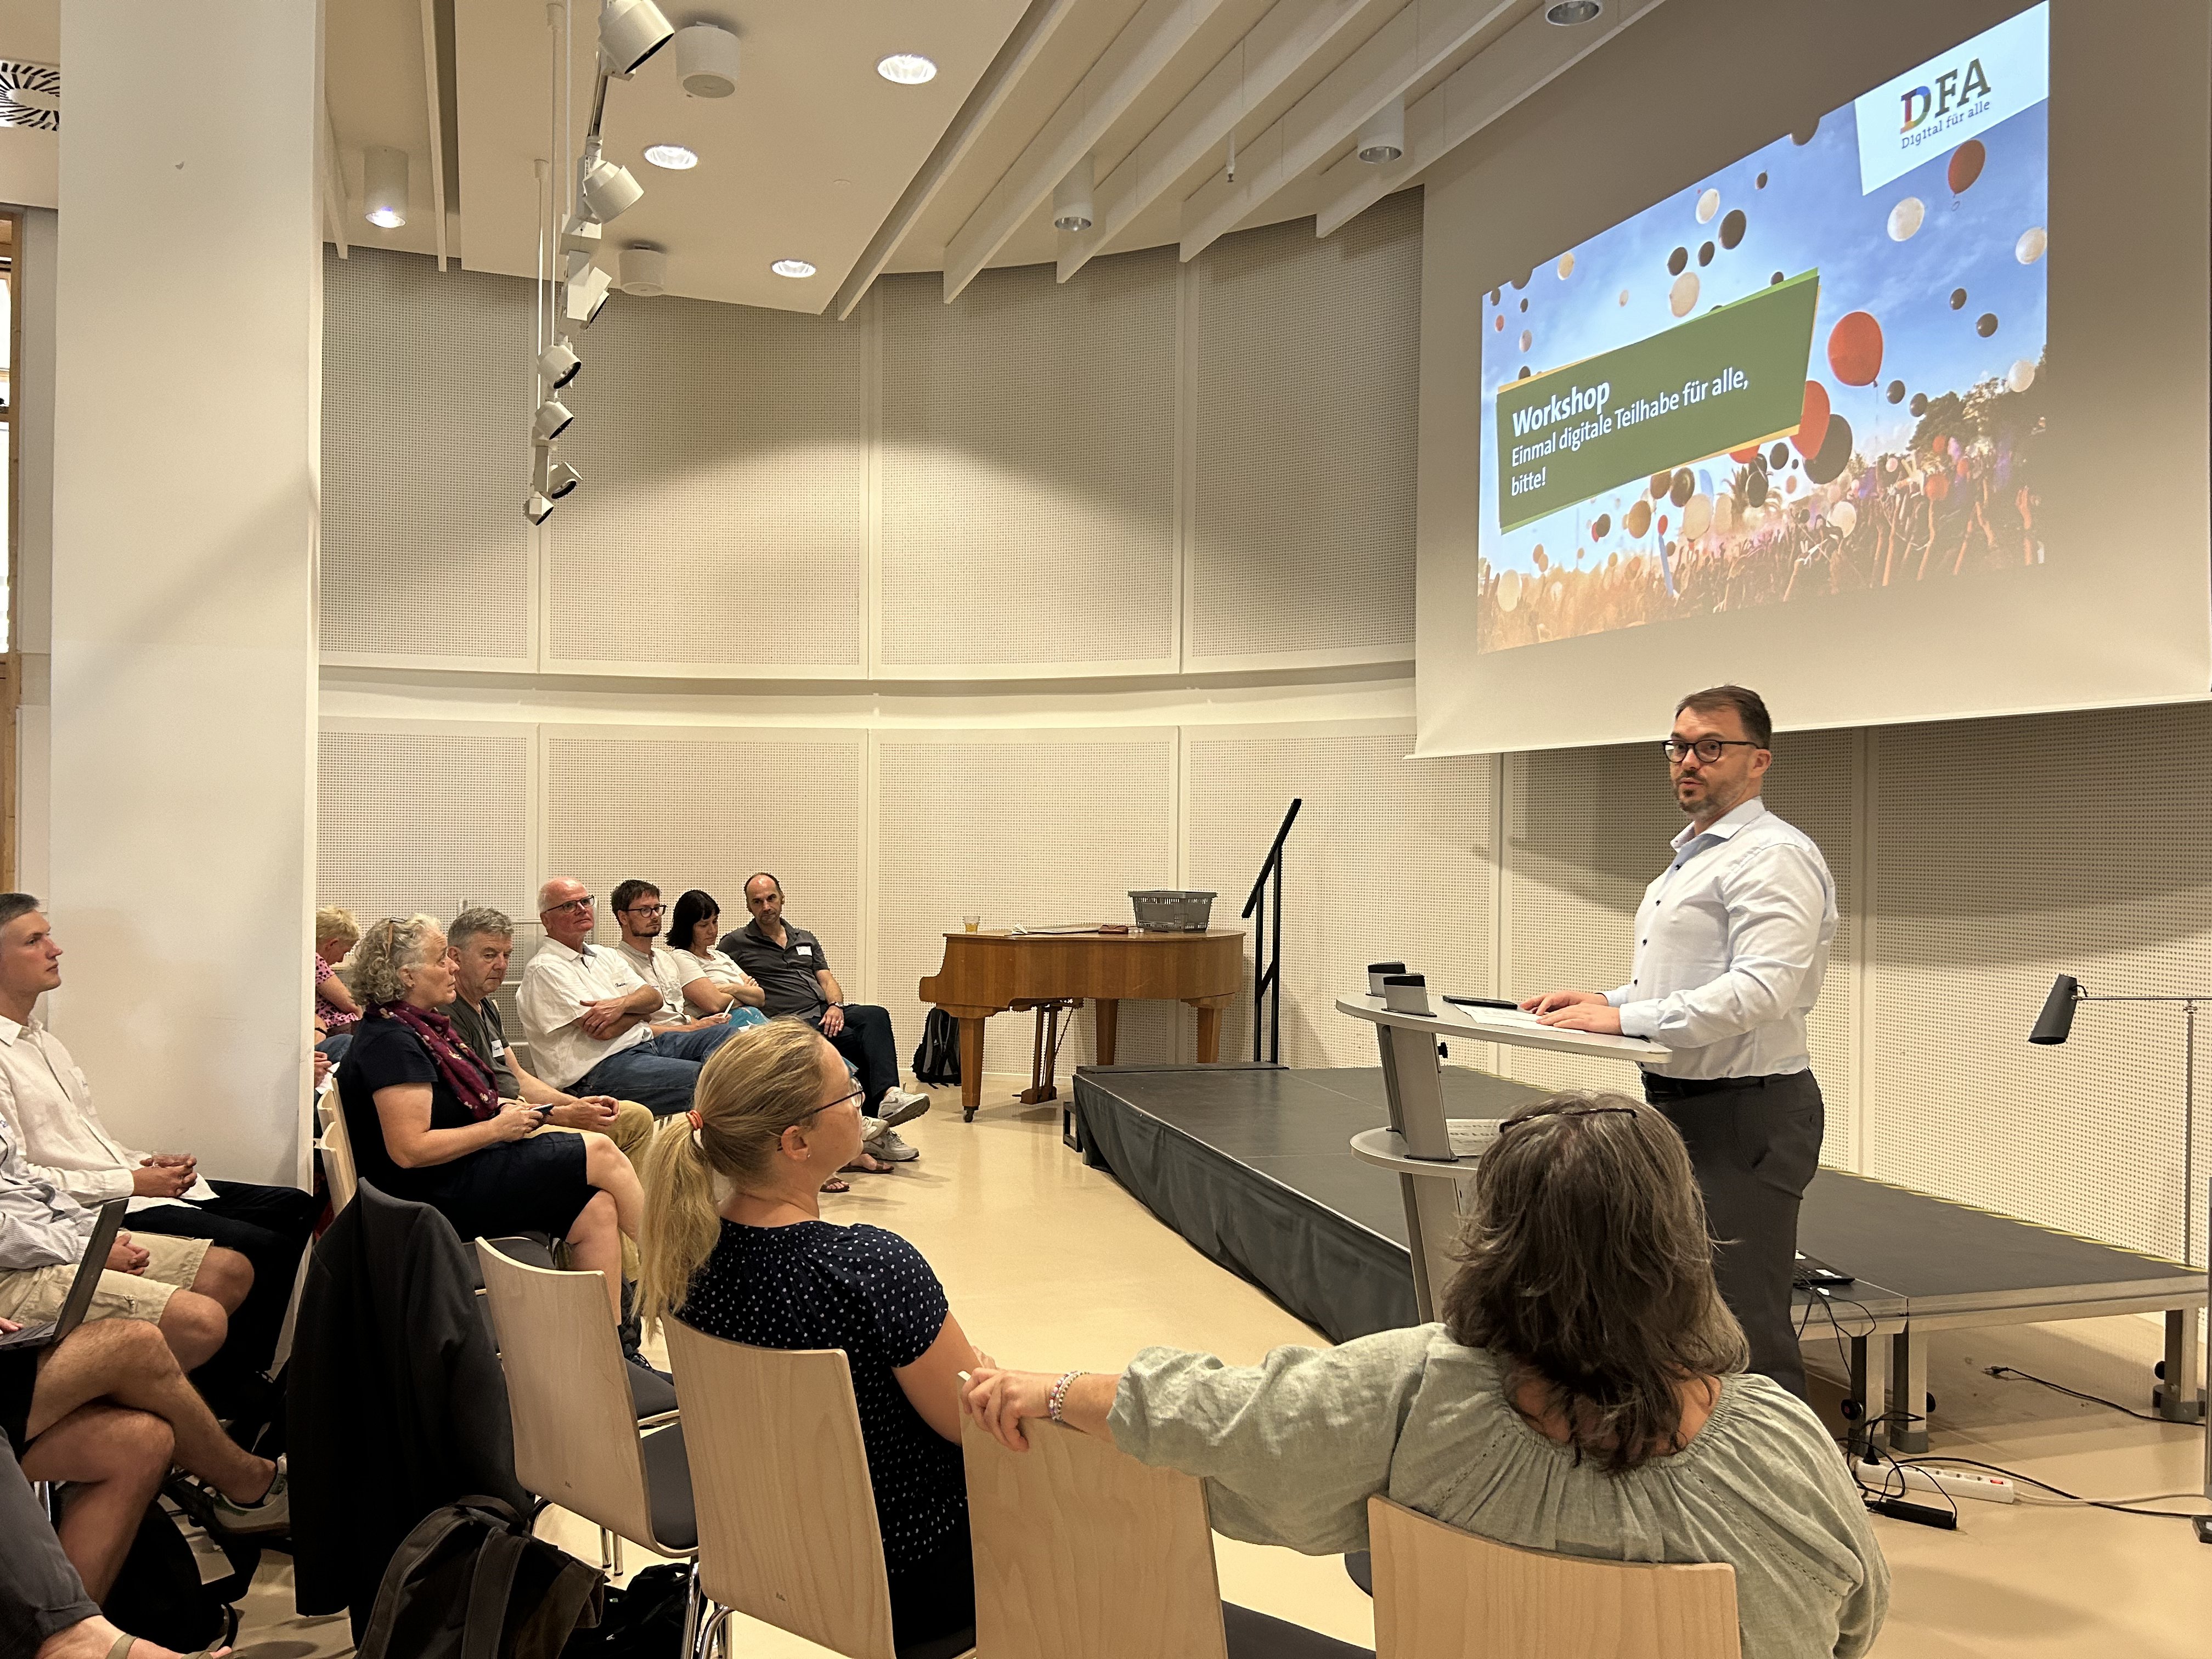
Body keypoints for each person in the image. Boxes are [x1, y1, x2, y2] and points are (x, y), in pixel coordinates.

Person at [964, 1093, 1888, 1659]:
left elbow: (1220, 1418)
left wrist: (1047, 1390)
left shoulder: (1414, 1392)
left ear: (1496, 1240)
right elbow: (1852, 1624)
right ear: (1679, 1243)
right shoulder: (1784, 1440)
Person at [1520, 685, 1836, 1398]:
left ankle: (1777, 1490)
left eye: (1710, 747)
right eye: (1679, 746)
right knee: (1685, 1309)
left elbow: (1762, 992)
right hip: (1683, 1106)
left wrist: (1626, 1021)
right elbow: (1688, 984)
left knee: (1743, 1322)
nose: (1688, 761)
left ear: (1759, 761)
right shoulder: (1696, 856)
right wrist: (1609, 1000)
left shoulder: (1772, 856)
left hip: (1746, 1115)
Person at [639, 1019, 985, 1652]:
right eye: (848, 1093)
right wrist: (982, 1369)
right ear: (797, 1142)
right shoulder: (870, 1268)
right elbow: (974, 1423)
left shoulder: (684, 1257)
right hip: (908, 1574)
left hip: (759, 1550)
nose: (860, 1101)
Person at [0, 895, 318, 1421]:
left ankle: (233, 1379)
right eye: (34, 941)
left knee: (292, 1207)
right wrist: (129, 1183)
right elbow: (28, 1179)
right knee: (255, 1247)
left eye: (48, 934)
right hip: (90, 1203)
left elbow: (87, 1138)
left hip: (108, 1185)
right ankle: (225, 1394)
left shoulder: (43, 1042)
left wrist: (144, 1163)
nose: (55, 949)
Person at [337, 915, 642, 1322]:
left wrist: (515, 1111)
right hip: (426, 1196)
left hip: (451, 1175)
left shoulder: (415, 1027)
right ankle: (678, 1274)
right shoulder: (393, 1042)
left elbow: (481, 1093)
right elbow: (409, 1150)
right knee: (601, 1151)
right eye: (442, 959)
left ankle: (609, 1345)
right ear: (408, 976)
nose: (452, 966)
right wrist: (497, 1128)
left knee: (597, 1207)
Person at [0, 1114, 249, 1381]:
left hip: (56, 1229)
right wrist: (88, 1252)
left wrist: (95, 1234)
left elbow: (25, 1181)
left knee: (229, 1270)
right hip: (14, 1262)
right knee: (200, 1322)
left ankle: (158, 1395)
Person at [445, 906, 658, 1171]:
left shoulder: (487, 1005)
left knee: (636, 1117)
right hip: (502, 1127)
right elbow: (484, 1101)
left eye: (506, 955)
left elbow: (518, 1077)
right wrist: (564, 1115)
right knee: (603, 1148)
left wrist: (578, 1105)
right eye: (489, 955)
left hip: (525, 1110)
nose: (501, 965)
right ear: (455, 957)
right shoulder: (446, 1014)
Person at [723, 873, 930, 1138]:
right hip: (790, 1022)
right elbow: (719, 974)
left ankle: (890, 1096)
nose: (766, 907)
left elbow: (827, 979)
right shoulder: (736, 943)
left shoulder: (804, 938)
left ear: (782, 898)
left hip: (823, 1011)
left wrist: (836, 1006)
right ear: (749, 907)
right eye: (758, 901)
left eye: (771, 898)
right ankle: (871, 1129)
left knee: (875, 1015)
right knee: (856, 1042)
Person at [518, 879, 744, 1117]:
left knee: (728, 1036)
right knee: (707, 1078)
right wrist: (639, 1013)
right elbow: (603, 1031)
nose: (582, 909)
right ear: (546, 920)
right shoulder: (546, 969)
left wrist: (622, 1006)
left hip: (646, 1044)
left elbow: (653, 999)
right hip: (599, 1070)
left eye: (585, 901)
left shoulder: (604, 956)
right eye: (569, 906)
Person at [607, 879, 760, 1034]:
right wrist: (694, 1028)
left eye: (657, 908)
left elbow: (680, 1012)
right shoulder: (618, 962)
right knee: (735, 1039)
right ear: (623, 917)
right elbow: (637, 1028)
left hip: (687, 1030)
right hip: (662, 1037)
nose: (655, 916)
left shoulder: (664, 959)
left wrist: (702, 1025)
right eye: (645, 910)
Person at [665, 889, 765, 1017]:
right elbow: (714, 1004)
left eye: (715, 921)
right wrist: (745, 994)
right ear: (687, 928)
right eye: (704, 925)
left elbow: (760, 997)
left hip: (752, 1017)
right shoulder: (681, 957)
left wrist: (730, 989)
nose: (712, 930)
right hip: (721, 1025)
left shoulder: (721, 956)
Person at [313, 905, 362, 1062]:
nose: (341, 960)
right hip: (336, 1034)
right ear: (331, 944)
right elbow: (351, 1004)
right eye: (345, 952)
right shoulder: (314, 961)